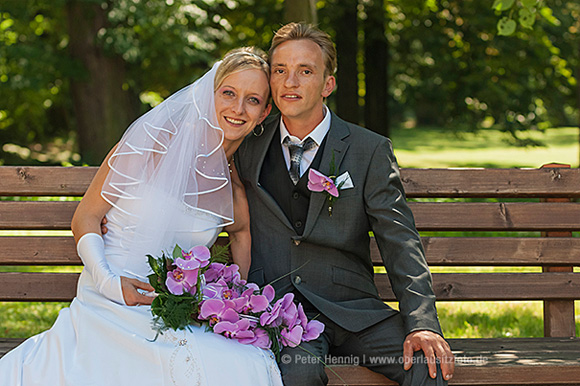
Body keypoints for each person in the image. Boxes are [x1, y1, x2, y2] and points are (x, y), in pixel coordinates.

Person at [0, 47, 283, 386]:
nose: (237, 108)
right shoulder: (151, 144)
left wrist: (235, 304)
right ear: (210, 93)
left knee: (243, 366)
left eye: (252, 100)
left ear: (265, 111)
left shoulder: (233, 190)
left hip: (169, 311)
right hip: (107, 298)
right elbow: (86, 218)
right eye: (228, 93)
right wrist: (108, 282)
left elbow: (241, 234)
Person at [234, 23, 454, 385]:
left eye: (305, 71)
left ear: (328, 84)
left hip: (355, 311)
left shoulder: (368, 150)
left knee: (427, 368)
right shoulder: (248, 145)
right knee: (296, 374)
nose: (290, 82)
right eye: (280, 71)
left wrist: (423, 324)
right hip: (283, 314)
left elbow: (400, 241)